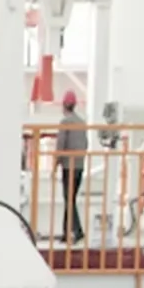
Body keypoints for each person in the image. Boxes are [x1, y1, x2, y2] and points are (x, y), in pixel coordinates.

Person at [56, 91, 88, 243]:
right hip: (80, 165)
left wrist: (56, 163)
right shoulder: (82, 122)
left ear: (64, 105)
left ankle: (77, 230)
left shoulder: (65, 122)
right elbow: (85, 143)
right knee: (71, 199)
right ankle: (66, 232)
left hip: (69, 166)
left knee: (69, 199)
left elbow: (60, 144)